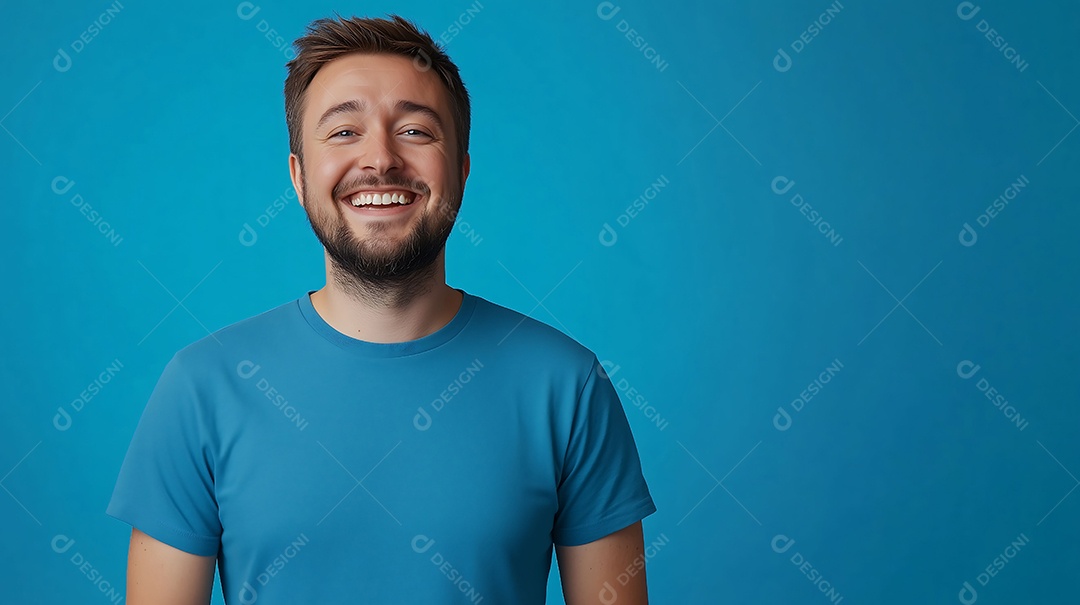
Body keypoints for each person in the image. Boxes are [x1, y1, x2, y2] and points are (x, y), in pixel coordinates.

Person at [107, 14, 656, 604]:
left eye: (416, 131)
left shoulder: (567, 385)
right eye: (343, 131)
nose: (381, 159)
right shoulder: (202, 387)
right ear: (298, 175)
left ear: (463, 170)